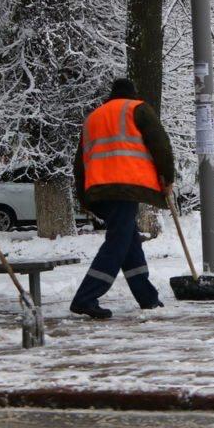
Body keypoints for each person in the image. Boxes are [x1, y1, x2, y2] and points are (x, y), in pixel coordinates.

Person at [69, 78, 175, 319]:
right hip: (125, 186)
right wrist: (167, 176)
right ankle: (85, 297)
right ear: (132, 94)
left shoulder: (93, 118)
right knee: (118, 241)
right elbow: (160, 144)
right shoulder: (137, 109)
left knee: (128, 240)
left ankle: (147, 297)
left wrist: (83, 197)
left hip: (98, 189)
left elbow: (79, 162)